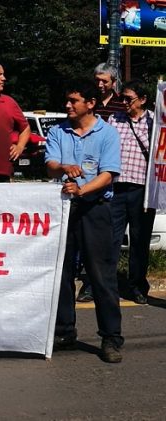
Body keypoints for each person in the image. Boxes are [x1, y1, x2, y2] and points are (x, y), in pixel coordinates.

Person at [45, 78, 124, 363]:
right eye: (67, 100)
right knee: (62, 272)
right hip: (64, 209)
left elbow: (108, 174)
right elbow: (51, 165)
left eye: (73, 101)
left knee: (101, 275)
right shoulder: (58, 131)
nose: (67, 105)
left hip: (96, 209)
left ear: (90, 104)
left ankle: (111, 337)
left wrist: (82, 190)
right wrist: (63, 167)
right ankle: (64, 331)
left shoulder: (107, 134)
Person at [76, 62, 128, 303]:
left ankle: (101, 284)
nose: (99, 84)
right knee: (84, 237)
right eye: (97, 79)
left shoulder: (121, 105)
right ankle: (86, 281)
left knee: (106, 238)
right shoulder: (88, 103)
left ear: (113, 83)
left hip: (112, 177)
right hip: (87, 178)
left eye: (104, 81)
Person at [108, 79, 155, 305]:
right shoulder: (114, 119)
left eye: (129, 99)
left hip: (142, 190)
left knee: (139, 240)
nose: (124, 103)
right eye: (122, 98)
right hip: (116, 187)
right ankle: (105, 284)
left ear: (143, 99)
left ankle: (137, 285)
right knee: (111, 239)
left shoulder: (155, 122)